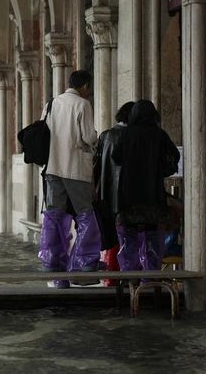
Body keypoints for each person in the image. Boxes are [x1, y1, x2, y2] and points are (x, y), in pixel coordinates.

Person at [39, 70, 99, 289]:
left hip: (52, 168)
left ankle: (52, 262)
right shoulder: (82, 104)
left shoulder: (51, 104)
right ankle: (83, 262)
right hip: (74, 168)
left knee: (54, 216)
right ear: (84, 86)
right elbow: (88, 137)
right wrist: (96, 137)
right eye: (88, 88)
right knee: (85, 214)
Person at [112, 99, 180, 272]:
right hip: (152, 191)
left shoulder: (126, 134)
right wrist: (160, 171)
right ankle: (150, 276)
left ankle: (129, 276)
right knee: (152, 232)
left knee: (129, 233)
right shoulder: (160, 135)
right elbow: (174, 157)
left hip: (129, 192)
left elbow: (115, 157)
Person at [93, 101, 134, 285]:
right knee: (126, 236)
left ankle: (110, 279)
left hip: (105, 194)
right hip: (127, 195)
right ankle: (124, 278)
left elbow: (96, 166)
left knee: (111, 236)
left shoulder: (105, 135)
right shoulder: (131, 136)